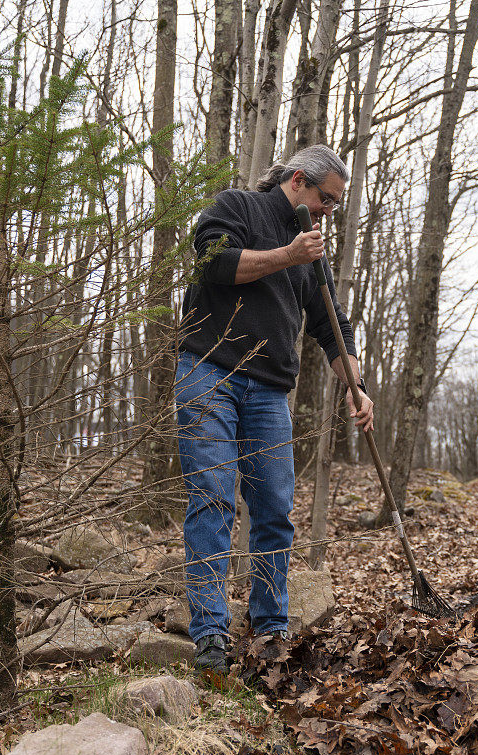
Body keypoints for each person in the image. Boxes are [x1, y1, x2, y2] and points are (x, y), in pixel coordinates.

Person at [175, 144, 374, 677]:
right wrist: (288, 254)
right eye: (327, 200)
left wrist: (356, 384)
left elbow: (332, 327)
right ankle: (211, 636)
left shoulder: (313, 254)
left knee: (274, 512)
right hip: (209, 372)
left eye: (336, 204)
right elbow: (213, 262)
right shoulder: (237, 207)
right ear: (298, 180)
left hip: (269, 394)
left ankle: (269, 629)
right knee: (213, 499)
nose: (329, 211)